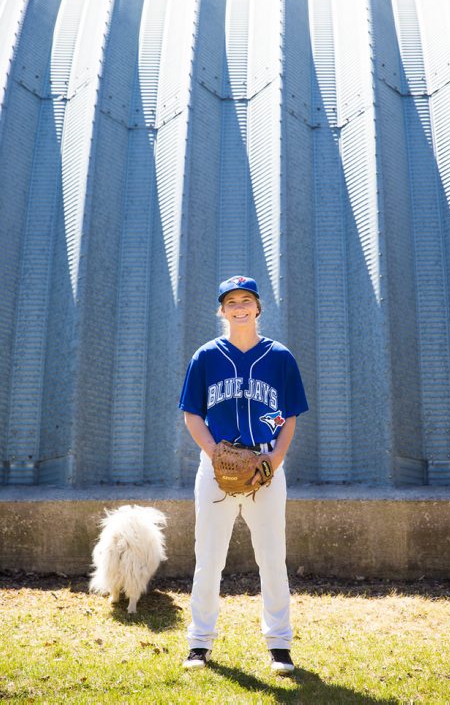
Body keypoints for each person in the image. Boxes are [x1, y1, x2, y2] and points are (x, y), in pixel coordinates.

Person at [178, 275, 308, 674]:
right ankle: (199, 643)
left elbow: (288, 419)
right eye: (231, 301)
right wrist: (215, 454)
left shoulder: (280, 356)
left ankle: (279, 645)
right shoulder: (205, 356)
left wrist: (274, 463)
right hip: (215, 470)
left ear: (258, 308)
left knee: (272, 558)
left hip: (267, 466)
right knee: (208, 559)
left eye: (246, 300)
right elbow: (192, 414)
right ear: (222, 310)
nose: (239, 307)